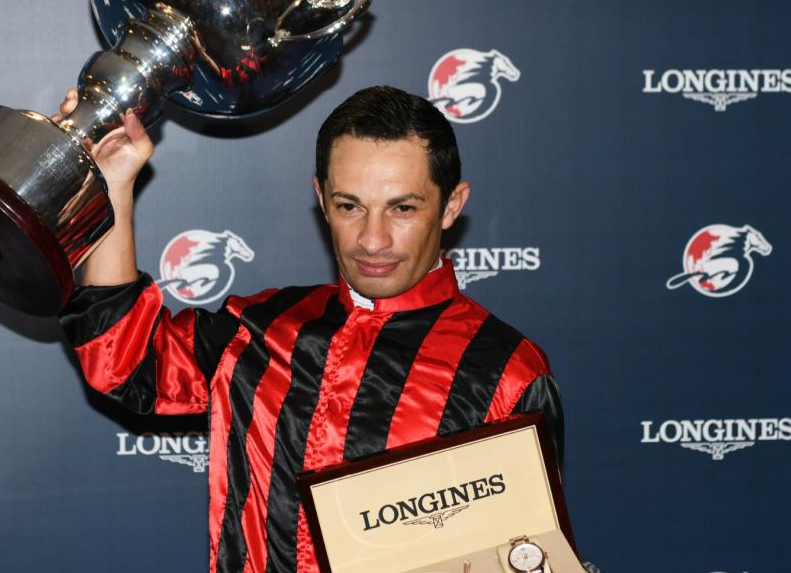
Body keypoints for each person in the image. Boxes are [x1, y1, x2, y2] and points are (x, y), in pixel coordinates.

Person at [57, 86, 563, 573]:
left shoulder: (507, 373)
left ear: (451, 205)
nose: (373, 239)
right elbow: (119, 362)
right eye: (350, 206)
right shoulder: (256, 327)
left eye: (403, 208)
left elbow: (525, 558)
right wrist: (111, 185)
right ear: (321, 198)